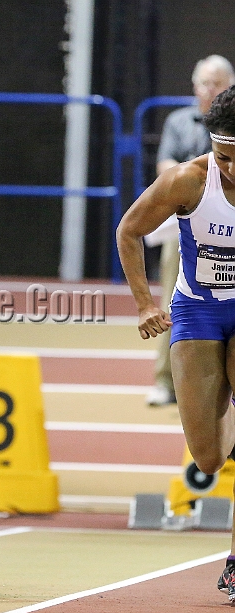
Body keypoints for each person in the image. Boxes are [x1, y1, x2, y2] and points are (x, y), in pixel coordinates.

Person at [117, 84, 235, 603]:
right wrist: (145, 302)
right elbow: (128, 230)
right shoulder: (189, 179)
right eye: (223, 156)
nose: (228, 168)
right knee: (207, 458)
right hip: (198, 309)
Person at [145, 55, 235, 406]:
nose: (210, 90)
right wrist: (195, 183)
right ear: (194, 87)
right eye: (205, 83)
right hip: (186, 223)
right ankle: (167, 381)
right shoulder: (179, 121)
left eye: (218, 83)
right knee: (175, 299)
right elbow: (165, 164)